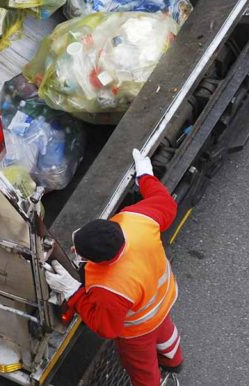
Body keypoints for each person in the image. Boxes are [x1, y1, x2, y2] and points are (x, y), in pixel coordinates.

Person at [45, 149, 183, 386]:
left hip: (139, 328)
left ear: (101, 261)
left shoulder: (110, 286)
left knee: (141, 365)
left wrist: (74, 292)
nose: (76, 252)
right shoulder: (135, 220)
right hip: (163, 298)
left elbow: (106, 327)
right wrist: (145, 176)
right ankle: (173, 360)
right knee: (165, 331)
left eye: (80, 251)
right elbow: (165, 204)